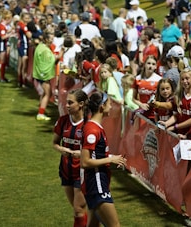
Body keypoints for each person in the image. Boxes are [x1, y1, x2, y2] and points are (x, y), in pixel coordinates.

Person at [80, 91, 126, 227]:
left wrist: (112, 157)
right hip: (96, 183)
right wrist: (109, 160)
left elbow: (96, 154)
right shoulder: (92, 130)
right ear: (102, 106)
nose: (111, 107)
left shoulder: (94, 127)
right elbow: (85, 161)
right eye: (110, 104)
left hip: (98, 182)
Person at [52, 89, 88, 227]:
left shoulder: (88, 124)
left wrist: (82, 154)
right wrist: (62, 149)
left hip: (82, 172)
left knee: (78, 210)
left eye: (70, 103)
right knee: (77, 209)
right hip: (66, 170)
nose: (66, 105)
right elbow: (54, 143)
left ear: (81, 104)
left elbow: (97, 150)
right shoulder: (63, 121)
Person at [160, 69, 191, 134]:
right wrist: (166, 123)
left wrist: (175, 127)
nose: (184, 81)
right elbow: (176, 115)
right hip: (179, 133)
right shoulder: (178, 96)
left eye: (187, 78)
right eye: (182, 79)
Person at [33, 31, 56, 120]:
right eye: (51, 39)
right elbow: (50, 61)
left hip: (39, 73)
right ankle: (40, 114)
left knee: (45, 93)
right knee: (48, 93)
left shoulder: (40, 47)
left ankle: (41, 109)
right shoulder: (45, 50)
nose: (52, 41)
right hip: (43, 75)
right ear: (46, 39)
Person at [132, 55, 162, 121]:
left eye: (153, 64)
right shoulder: (137, 79)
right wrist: (141, 104)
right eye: (148, 63)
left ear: (155, 67)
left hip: (155, 115)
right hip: (142, 114)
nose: (150, 66)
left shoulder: (159, 80)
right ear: (145, 64)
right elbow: (133, 98)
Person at [16, 12, 32, 87]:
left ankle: (19, 81)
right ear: (22, 18)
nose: (28, 20)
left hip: (19, 45)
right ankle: (24, 83)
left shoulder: (19, 24)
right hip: (24, 46)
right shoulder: (23, 26)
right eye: (26, 18)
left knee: (20, 65)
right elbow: (29, 35)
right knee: (24, 66)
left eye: (28, 18)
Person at [0, 10, 14, 83]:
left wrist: (11, 31)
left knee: (4, 61)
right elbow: (3, 37)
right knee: (3, 61)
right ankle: (2, 77)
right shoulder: (2, 26)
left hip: (3, 44)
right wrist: (10, 35)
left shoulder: (3, 25)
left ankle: (3, 77)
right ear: (7, 18)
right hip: (2, 44)